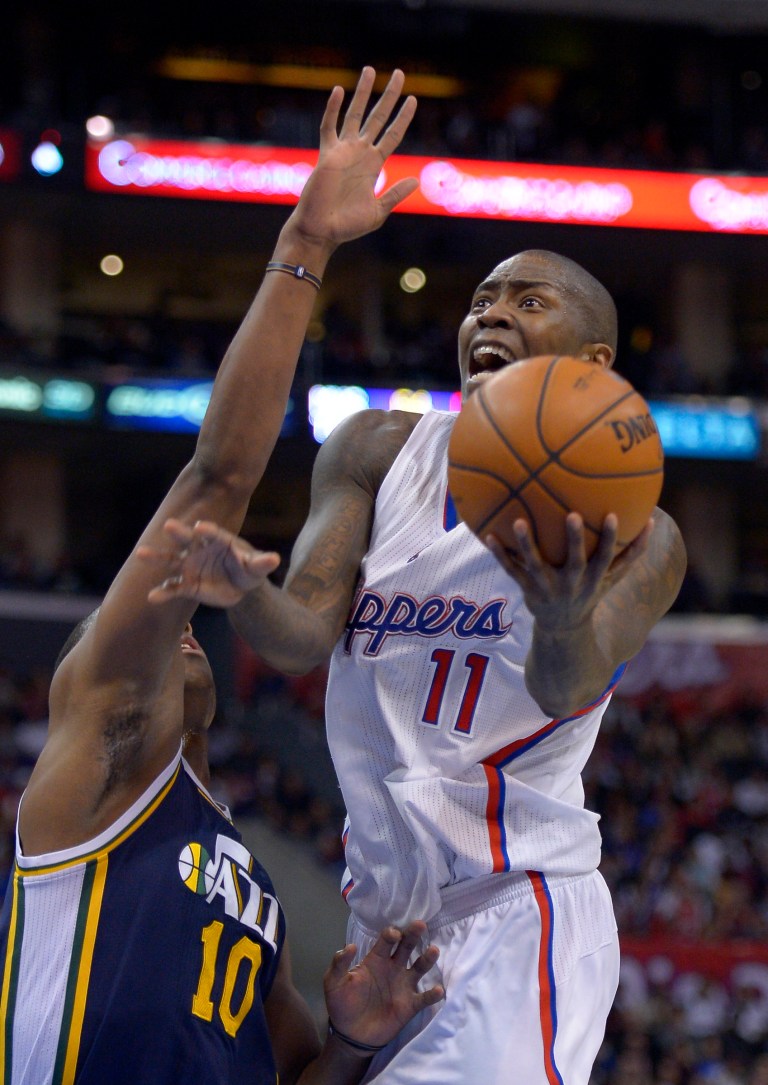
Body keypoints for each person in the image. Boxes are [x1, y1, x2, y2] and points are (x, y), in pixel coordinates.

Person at [142, 181, 688, 1084]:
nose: (493, 314)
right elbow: (300, 638)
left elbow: (566, 683)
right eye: (483, 300)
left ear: (594, 360)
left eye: (528, 301)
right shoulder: (377, 451)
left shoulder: (641, 531)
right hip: (387, 929)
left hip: (519, 910)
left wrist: (559, 613)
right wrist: (242, 589)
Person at [0, 68, 445, 1085]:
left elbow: (297, 1077)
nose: (182, 633)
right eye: (154, 635)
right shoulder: (102, 762)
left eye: (192, 629)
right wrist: (307, 242)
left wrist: (354, 1039)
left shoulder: (242, 877)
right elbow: (221, 474)